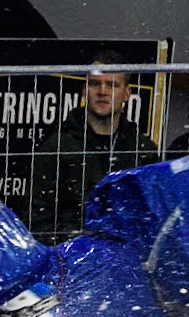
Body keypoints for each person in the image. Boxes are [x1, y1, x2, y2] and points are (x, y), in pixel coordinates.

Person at [28, 52, 160, 240]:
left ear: (126, 93)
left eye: (112, 85)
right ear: (85, 89)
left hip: (127, 253)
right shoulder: (57, 147)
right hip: (69, 253)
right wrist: (69, 249)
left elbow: (153, 217)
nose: (102, 91)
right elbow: (36, 219)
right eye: (95, 84)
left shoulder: (143, 151)